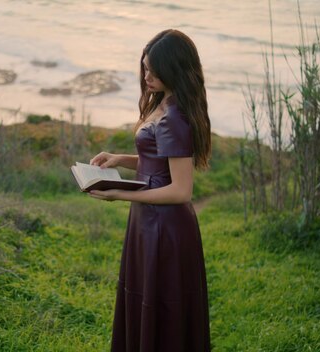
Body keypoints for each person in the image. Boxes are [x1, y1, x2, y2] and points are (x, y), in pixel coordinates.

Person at [89, 29, 211, 352]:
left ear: (174, 69)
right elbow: (156, 160)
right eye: (144, 68)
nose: (146, 76)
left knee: (164, 308)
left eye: (154, 71)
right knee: (146, 299)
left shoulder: (174, 117)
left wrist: (121, 193)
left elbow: (181, 190)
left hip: (165, 228)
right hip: (147, 221)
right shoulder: (164, 102)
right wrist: (120, 160)